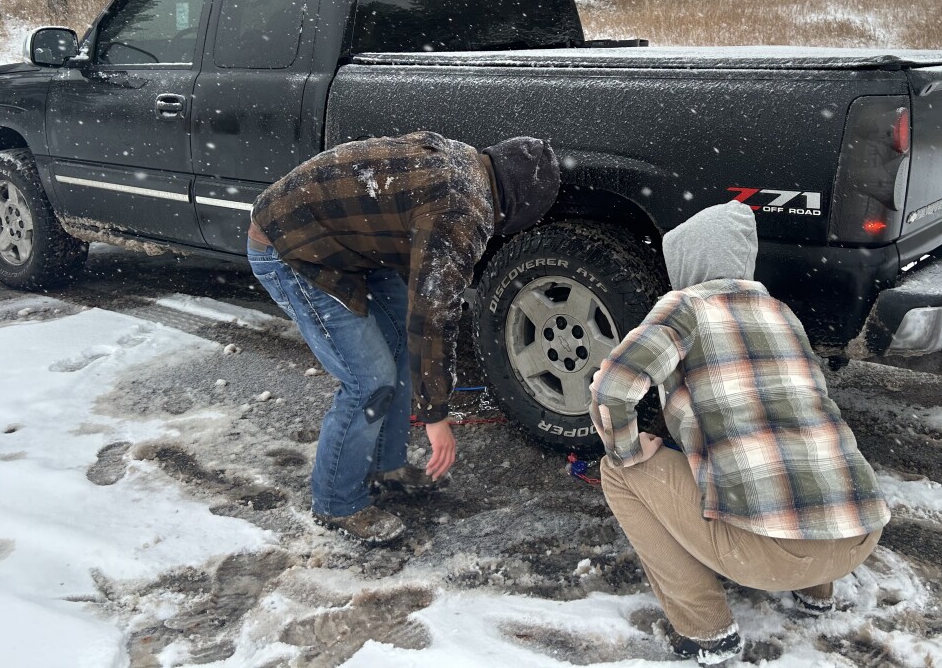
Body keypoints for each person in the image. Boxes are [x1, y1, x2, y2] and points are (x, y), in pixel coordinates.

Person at [589, 201, 889, 664]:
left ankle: (706, 631)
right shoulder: (780, 313)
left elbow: (611, 389)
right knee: (800, 439)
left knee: (618, 471)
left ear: (685, 263)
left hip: (768, 560)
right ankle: (816, 596)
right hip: (859, 538)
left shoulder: (684, 306)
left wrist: (629, 448)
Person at [248, 131, 560, 545]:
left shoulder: (467, 163)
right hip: (293, 249)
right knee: (368, 381)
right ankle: (338, 504)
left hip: (346, 243)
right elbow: (432, 315)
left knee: (398, 354)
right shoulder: (462, 212)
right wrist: (436, 417)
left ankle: (385, 466)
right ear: (518, 206)